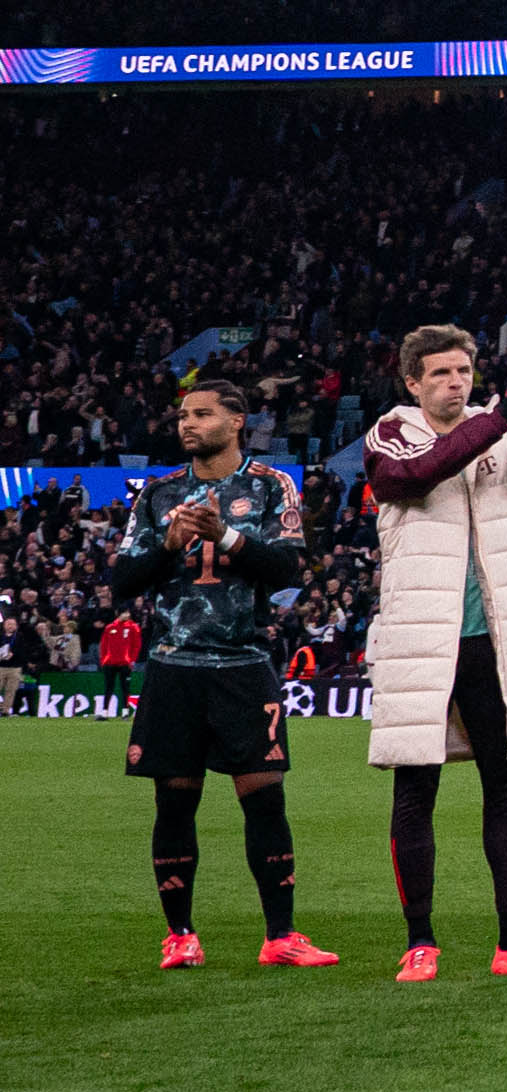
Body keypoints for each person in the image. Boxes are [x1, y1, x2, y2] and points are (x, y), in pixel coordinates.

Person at [365, 325, 507, 980]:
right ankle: (420, 941)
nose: (453, 382)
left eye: (463, 370)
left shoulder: (501, 436)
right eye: (439, 373)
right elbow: (417, 474)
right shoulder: (392, 434)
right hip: (422, 643)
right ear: (412, 382)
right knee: (417, 786)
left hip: (494, 643)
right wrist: (501, 411)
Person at [112, 381, 335, 969]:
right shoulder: (159, 493)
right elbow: (121, 583)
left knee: (265, 801)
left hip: (243, 666)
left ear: (237, 421)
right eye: (184, 415)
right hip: (173, 667)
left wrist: (227, 536)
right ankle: (180, 935)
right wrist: (168, 544)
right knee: (174, 804)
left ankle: (280, 937)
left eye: (202, 414)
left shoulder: (269, 485)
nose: (187, 424)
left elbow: (287, 566)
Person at [98, 609, 142, 719]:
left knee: (125, 687)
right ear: (118, 614)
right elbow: (103, 645)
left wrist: (132, 660)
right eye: (125, 613)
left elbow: (136, 645)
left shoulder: (133, 627)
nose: (127, 615)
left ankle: (125, 712)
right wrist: (103, 660)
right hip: (110, 663)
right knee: (108, 687)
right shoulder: (109, 627)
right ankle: (104, 712)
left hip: (124, 663)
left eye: (128, 613)